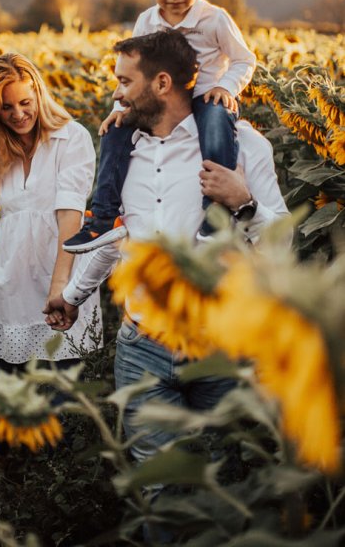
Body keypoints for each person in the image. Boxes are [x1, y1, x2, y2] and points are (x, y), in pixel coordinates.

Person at [44, 30, 289, 463]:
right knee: (159, 488)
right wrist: (73, 296)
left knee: (219, 484)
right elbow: (116, 237)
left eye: (124, 82)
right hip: (143, 347)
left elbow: (283, 246)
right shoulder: (123, 152)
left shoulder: (242, 147)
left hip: (220, 348)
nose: (116, 96)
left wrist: (244, 202)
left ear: (161, 83)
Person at [64, 0, 257, 251]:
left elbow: (244, 59)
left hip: (207, 96)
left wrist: (226, 86)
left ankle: (217, 213)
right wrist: (121, 105)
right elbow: (132, 68)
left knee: (215, 126)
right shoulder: (147, 21)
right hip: (158, 101)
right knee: (115, 131)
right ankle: (103, 218)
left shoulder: (214, 19)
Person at [0, 52, 101, 368]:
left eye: (26, 102)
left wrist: (61, 287)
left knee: (62, 392)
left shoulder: (70, 137)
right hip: (8, 286)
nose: (19, 114)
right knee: (12, 397)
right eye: (7, 107)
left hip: (60, 274)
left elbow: (71, 214)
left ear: (38, 92)